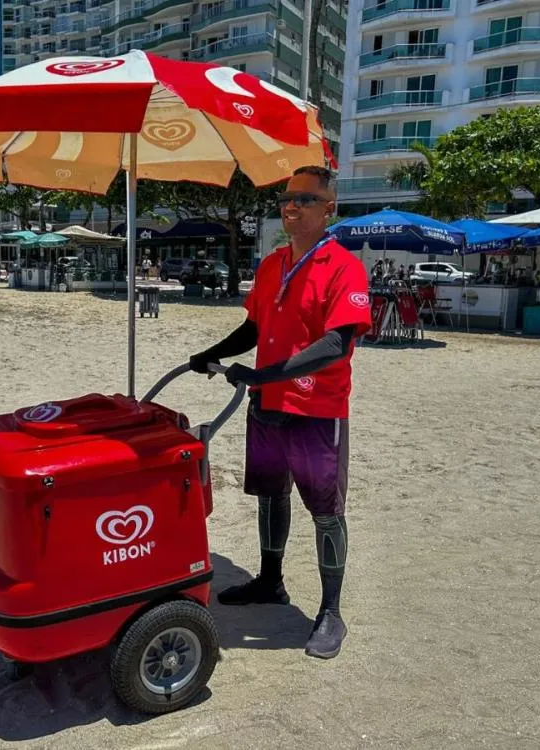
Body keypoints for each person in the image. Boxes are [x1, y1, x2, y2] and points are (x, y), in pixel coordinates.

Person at [188, 166, 372, 659]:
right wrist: (211, 353)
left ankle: (331, 611)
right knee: (270, 496)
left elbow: (337, 343)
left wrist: (267, 375)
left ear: (329, 208)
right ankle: (271, 581)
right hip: (266, 405)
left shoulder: (343, 268)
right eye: (287, 197)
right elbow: (254, 326)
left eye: (306, 199)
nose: (292, 205)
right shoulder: (272, 265)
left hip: (316, 408)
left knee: (326, 512)